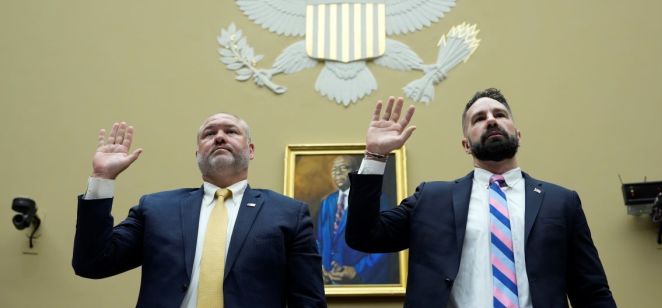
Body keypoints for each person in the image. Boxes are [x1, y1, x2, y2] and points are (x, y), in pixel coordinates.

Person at [345, 90, 616, 308]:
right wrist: (375, 156)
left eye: (499, 114)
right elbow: (364, 235)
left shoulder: (561, 202)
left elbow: (591, 291)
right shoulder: (431, 199)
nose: (491, 120)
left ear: (518, 135)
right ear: (466, 144)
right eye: (479, 118)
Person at [72, 113, 326, 308]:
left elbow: (308, 300)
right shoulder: (157, 209)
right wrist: (102, 179)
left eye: (231, 131)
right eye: (208, 134)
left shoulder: (288, 214)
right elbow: (92, 263)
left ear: (250, 150)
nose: (219, 137)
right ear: (197, 154)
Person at [315, 155, 396, 284]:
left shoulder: (377, 199)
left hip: (362, 281)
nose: (337, 173)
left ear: (356, 171)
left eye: (343, 167)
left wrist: (358, 271)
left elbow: (386, 243)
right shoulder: (327, 202)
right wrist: (319, 266)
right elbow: (319, 239)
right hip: (328, 280)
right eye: (334, 169)